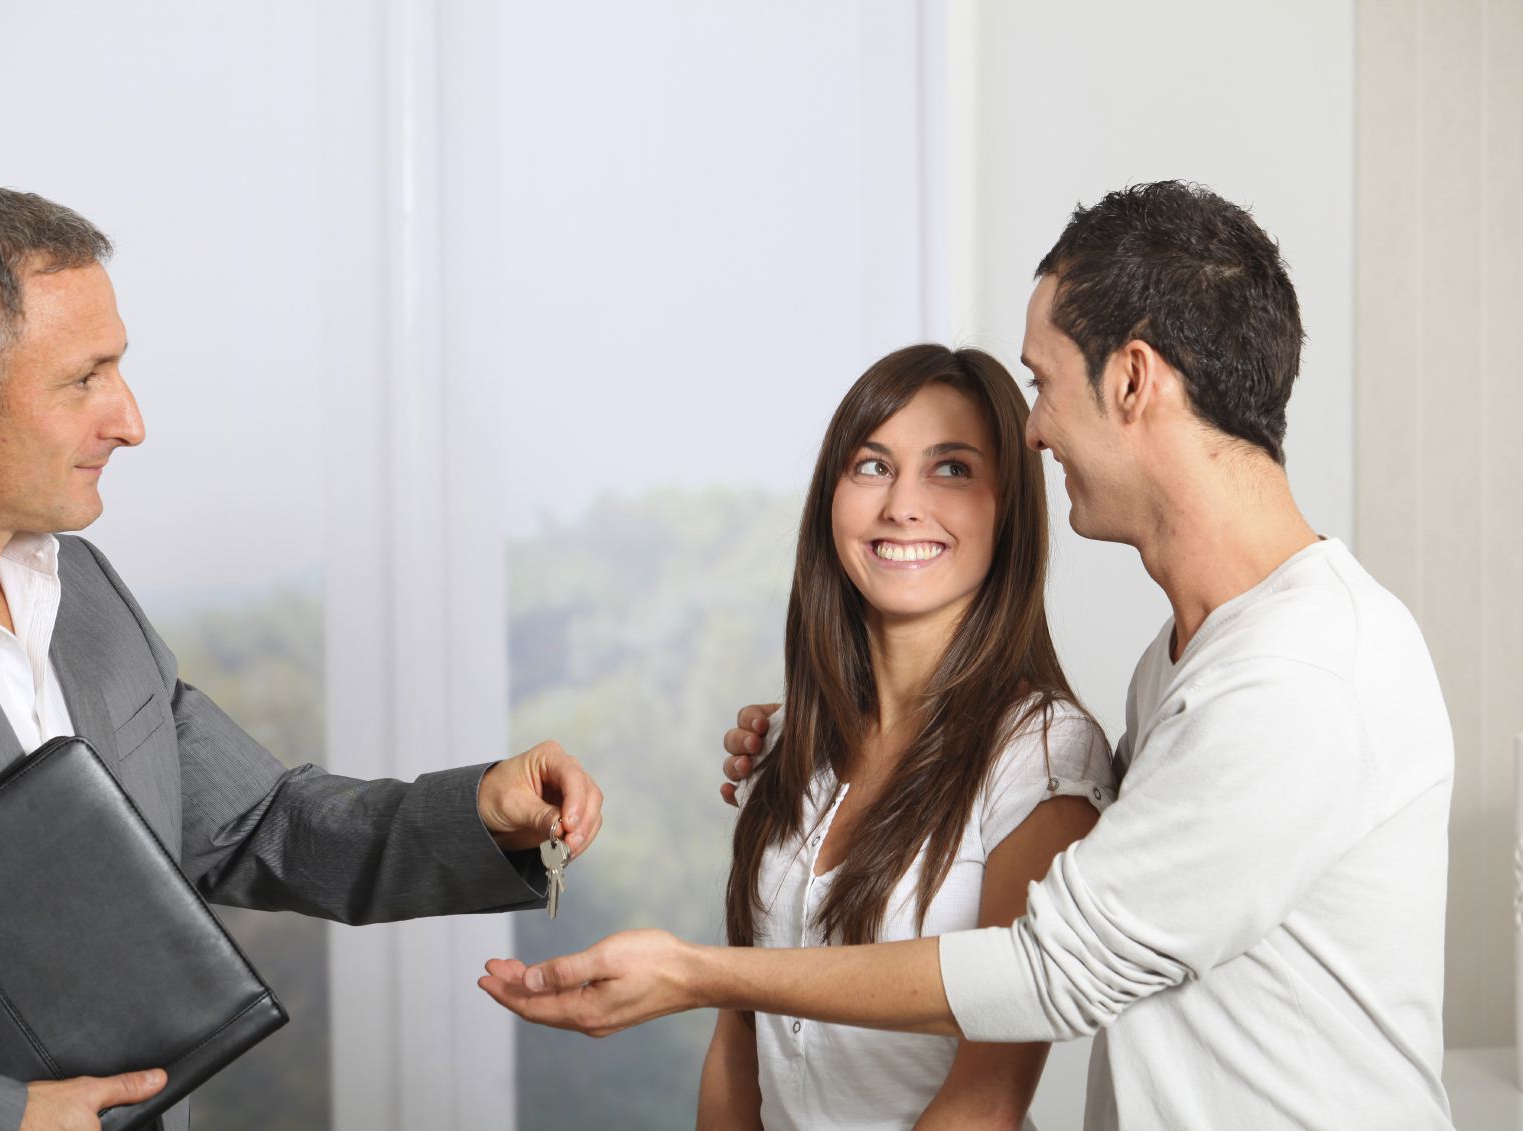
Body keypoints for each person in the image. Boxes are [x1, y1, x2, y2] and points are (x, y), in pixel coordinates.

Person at [480, 181, 1455, 1131]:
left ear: (1131, 379)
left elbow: (1047, 974)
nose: (1033, 429)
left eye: (1042, 383)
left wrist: (693, 972)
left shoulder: (1301, 676)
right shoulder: (1186, 663)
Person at [0, 186, 604, 1131]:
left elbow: (256, 823)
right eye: (85, 378)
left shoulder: (85, 587)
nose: (130, 418)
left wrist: (479, 813)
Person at [697, 344, 1114, 1131]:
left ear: (1008, 507)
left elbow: (987, 1100)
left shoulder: (1048, 753)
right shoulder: (784, 743)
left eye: (951, 468)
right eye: (872, 466)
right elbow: (737, 1038)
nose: (903, 505)